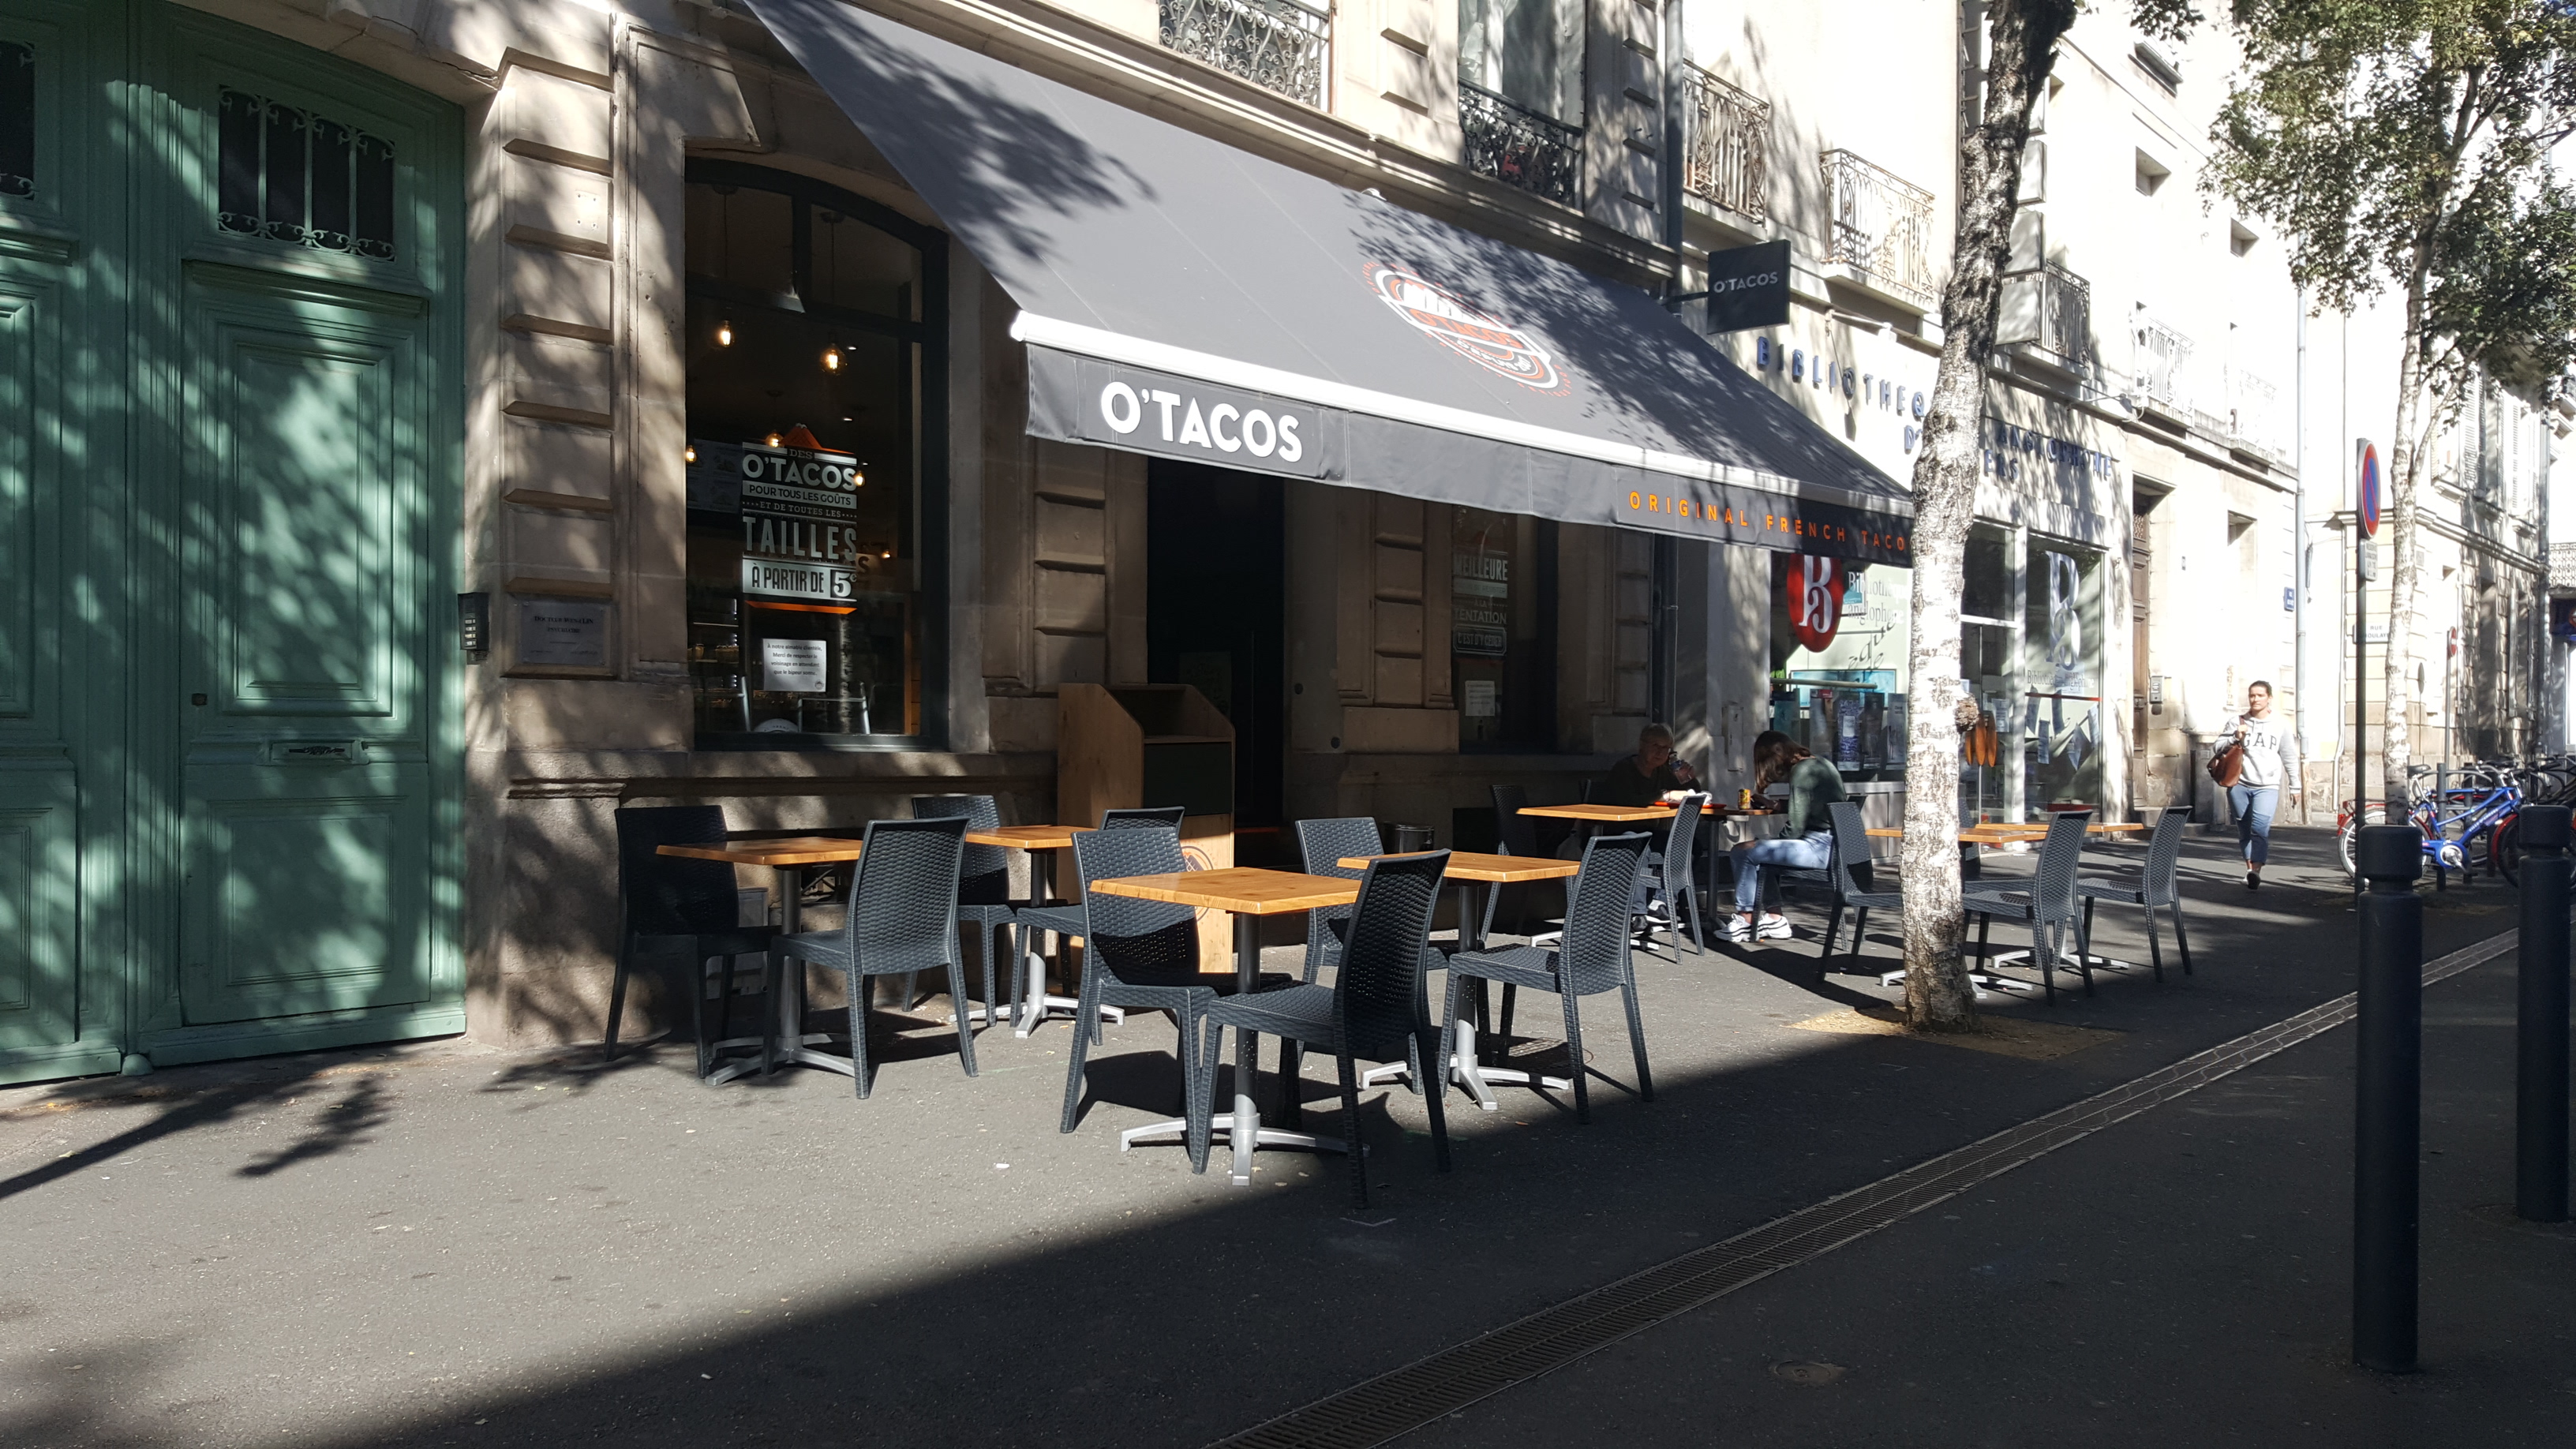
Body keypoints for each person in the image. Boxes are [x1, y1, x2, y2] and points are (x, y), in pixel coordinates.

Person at [1726, 730, 1847, 942]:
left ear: (1778, 750)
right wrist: (1775, 805)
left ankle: (1746, 920)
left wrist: (1773, 843)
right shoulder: (1822, 763)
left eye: (1768, 760)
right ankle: (1775, 919)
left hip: (1819, 845)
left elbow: (1795, 827)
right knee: (1761, 852)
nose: (1773, 768)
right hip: (1837, 845)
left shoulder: (1802, 771)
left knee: (1742, 851)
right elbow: (1813, 805)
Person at [2227, 680, 2301, 889]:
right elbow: (2218, 747)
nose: (2255, 699)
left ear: (2269, 698)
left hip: (2267, 785)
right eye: (2252, 695)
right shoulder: (2237, 721)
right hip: (2239, 784)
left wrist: (2295, 785)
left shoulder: (2280, 724)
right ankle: (2249, 869)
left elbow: (2289, 756)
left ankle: (2256, 872)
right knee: (2244, 830)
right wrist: (2235, 737)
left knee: (2260, 829)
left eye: (2260, 695)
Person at [1599, 723, 1699, 807]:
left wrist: (1688, 778)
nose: (1660, 752)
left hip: (1652, 824)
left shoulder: (1663, 771)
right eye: (1655, 745)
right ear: (1642, 745)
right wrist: (1667, 795)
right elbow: (1628, 801)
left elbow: (1694, 795)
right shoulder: (1624, 769)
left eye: (1665, 747)